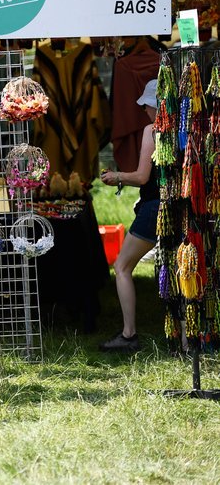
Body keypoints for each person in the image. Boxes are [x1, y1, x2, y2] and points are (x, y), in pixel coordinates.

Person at [99, 78, 159, 353]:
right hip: (181, 208)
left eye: (147, 106)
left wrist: (117, 176)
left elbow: (143, 176)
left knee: (122, 267)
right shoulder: (189, 129)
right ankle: (186, 338)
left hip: (154, 207)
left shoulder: (153, 130)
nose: (145, 111)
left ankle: (128, 334)